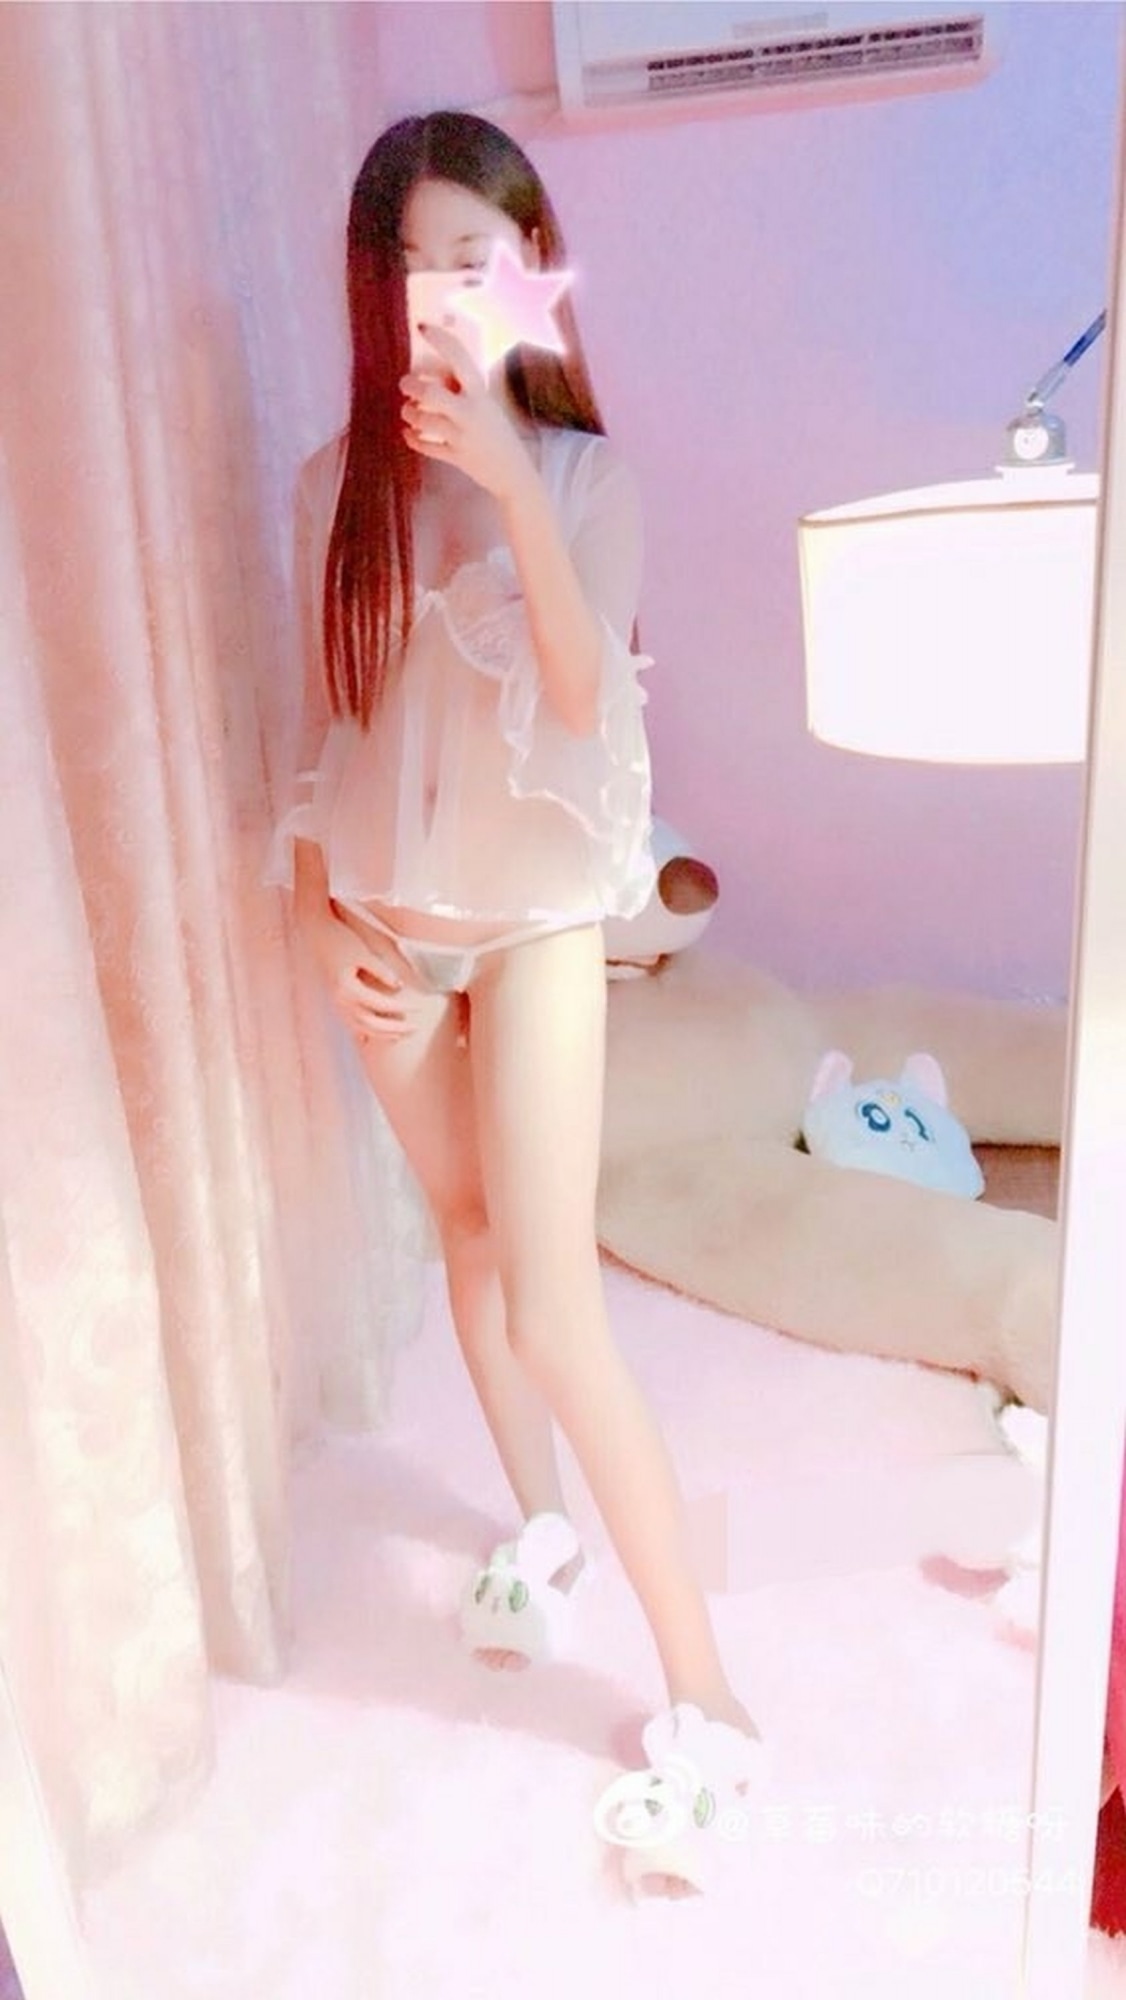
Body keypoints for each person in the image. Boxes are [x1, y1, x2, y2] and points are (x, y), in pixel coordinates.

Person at [264, 109, 765, 1895]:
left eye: (473, 259)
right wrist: (317, 914)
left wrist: (504, 484)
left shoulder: (585, 479)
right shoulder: (331, 485)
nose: (441, 295)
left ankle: (708, 1695)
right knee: (468, 1241)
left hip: (539, 924)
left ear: (533, 267)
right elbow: (331, 723)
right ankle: (541, 1523)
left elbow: (576, 695)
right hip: (381, 931)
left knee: (554, 1304)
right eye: (409, 268)